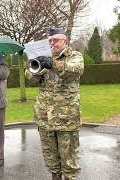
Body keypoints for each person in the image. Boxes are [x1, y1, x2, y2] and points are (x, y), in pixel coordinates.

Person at [25, 28, 84, 180]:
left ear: (64, 40)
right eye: (50, 40)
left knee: (69, 162)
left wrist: (52, 64)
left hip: (67, 119)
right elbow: (29, 74)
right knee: (52, 161)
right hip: (45, 119)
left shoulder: (74, 56)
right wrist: (35, 67)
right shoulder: (44, 57)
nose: (52, 43)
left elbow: (75, 71)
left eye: (56, 40)